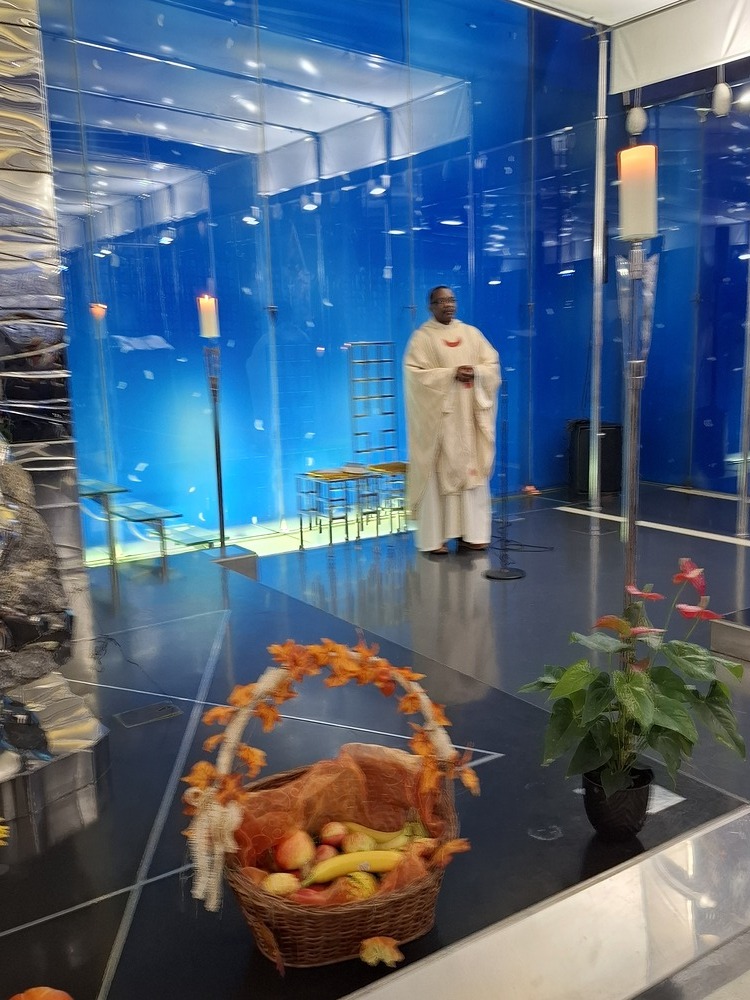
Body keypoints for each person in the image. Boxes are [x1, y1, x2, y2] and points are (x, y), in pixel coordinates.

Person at [404, 286, 501, 554]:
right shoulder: (422, 339)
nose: (448, 305)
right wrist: (450, 375)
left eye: (451, 300)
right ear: (431, 306)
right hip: (440, 424)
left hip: (468, 421)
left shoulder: (471, 334)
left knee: (471, 473)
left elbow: (492, 366)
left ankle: (472, 534)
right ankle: (435, 538)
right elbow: (415, 376)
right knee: (437, 476)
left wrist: (476, 372)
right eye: (441, 301)